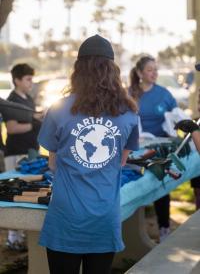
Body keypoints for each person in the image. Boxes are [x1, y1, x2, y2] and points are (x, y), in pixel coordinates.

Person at [38, 34, 139, 274]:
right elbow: (121, 161)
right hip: (105, 216)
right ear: (113, 70)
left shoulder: (59, 109)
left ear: (78, 70)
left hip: (66, 218)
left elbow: (52, 162)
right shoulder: (129, 112)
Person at [129, 55, 177, 242]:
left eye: (156, 69)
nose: (154, 73)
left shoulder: (164, 94)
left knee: (161, 186)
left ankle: (164, 228)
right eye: (150, 69)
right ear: (140, 73)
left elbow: (176, 118)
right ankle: (133, 233)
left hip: (160, 148)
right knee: (136, 185)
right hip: (135, 149)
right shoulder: (131, 93)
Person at [3, 63, 43, 251]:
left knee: (28, 192)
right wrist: (34, 124)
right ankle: (13, 238)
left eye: (32, 79)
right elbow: (11, 128)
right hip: (16, 152)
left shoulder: (28, 99)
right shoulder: (11, 100)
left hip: (30, 151)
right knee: (14, 192)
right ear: (17, 80)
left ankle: (25, 232)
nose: (31, 82)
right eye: (27, 79)